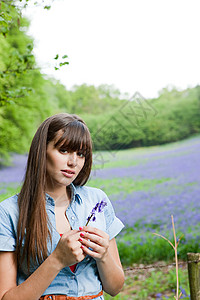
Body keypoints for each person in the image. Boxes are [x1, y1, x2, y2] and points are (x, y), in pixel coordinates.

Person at [0, 113, 125, 300]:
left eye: (81, 154)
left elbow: (114, 288)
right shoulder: (9, 212)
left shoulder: (97, 201)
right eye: (64, 150)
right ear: (42, 151)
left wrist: (104, 256)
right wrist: (57, 260)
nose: (73, 162)